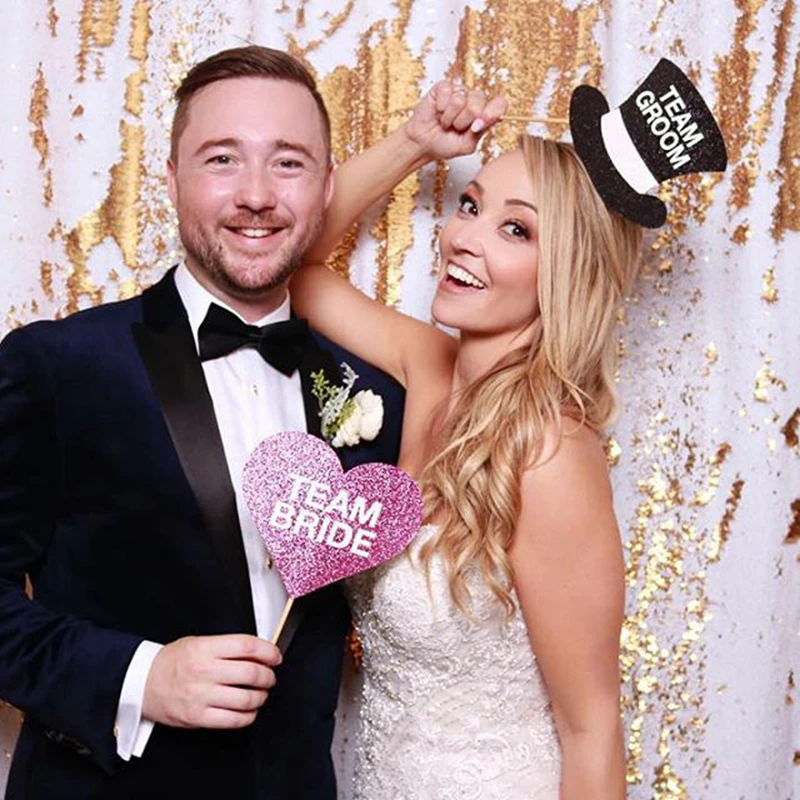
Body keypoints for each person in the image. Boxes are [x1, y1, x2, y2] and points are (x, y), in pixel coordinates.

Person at [0, 46, 404, 799]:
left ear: (326, 189)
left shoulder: (370, 393)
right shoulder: (57, 364)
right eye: (222, 159)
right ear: (171, 181)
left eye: (288, 163)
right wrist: (141, 676)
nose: (256, 195)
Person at [292, 82, 644, 799]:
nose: (463, 238)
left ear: (566, 272)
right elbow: (291, 264)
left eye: (516, 230)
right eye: (472, 206)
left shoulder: (549, 453)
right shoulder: (428, 366)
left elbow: (591, 729)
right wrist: (413, 144)